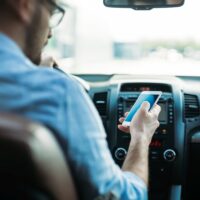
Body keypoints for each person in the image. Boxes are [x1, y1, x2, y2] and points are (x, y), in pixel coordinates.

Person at [0, 0, 161, 199]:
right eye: (51, 14)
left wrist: (34, 71)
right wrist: (141, 136)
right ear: (24, 4)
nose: (50, 33)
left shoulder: (39, 85)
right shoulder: (57, 92)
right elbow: (124, 196)